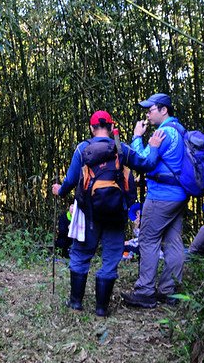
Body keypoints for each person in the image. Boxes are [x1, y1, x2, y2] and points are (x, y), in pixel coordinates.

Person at [51, 110, 164, 317]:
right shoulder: (120, 148)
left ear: (91, 128)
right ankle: (101, 308)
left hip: (88, 213)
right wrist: (154, 148)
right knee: (111, 257)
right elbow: (146, 164)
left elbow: (70, 180)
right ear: (112, 128)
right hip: (116, 212)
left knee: (81, 254)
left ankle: (76, 303)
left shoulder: (83, 148)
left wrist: (60, 190)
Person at [121, 93, 190, 309]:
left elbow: (143, 161)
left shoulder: (163, 133)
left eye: (151, 110)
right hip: (179, 195)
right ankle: (169, 291)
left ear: (164, 110)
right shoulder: (180, 131)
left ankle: (145, 292)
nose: (147, 114)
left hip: (161, 196)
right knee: (173, 241)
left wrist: (137, 136)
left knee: (148, 239)